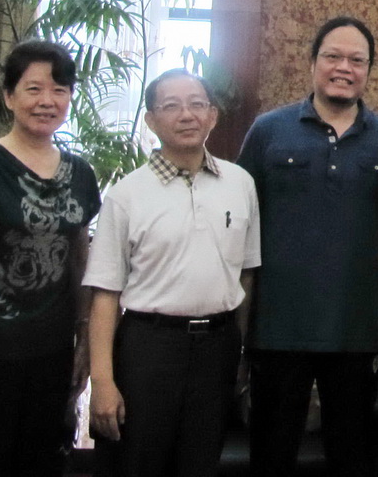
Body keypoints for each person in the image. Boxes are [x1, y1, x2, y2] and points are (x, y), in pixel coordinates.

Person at [237, 16, 378, 476]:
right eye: (333, 56)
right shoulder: (269, 131)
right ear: (312, 62)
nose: (343, 68)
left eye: (356, 60)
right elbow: (241, 217)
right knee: (271, 455)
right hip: (278, 327)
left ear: (369, 70)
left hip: (354, 328)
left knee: (351, 458)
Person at [0, 39, 101, 476]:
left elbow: (79, 260)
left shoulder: (80, 174)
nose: (48, 101)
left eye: (59, 90)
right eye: (34, 89)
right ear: (9, 96)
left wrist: (84, 340)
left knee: (42, 463)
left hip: (52, 352)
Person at [84, 69, 261, 476]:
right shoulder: (127, 194)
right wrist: (103, 381)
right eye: (171, 106)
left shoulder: (240, 184)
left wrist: (240, 353)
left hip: (218, 347)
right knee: (136, 461)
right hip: (148, 347)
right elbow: (105, 293)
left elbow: (246, 276)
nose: (187, 115)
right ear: (151, 120)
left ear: (213, 115)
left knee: (200, 461)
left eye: (197, 104)